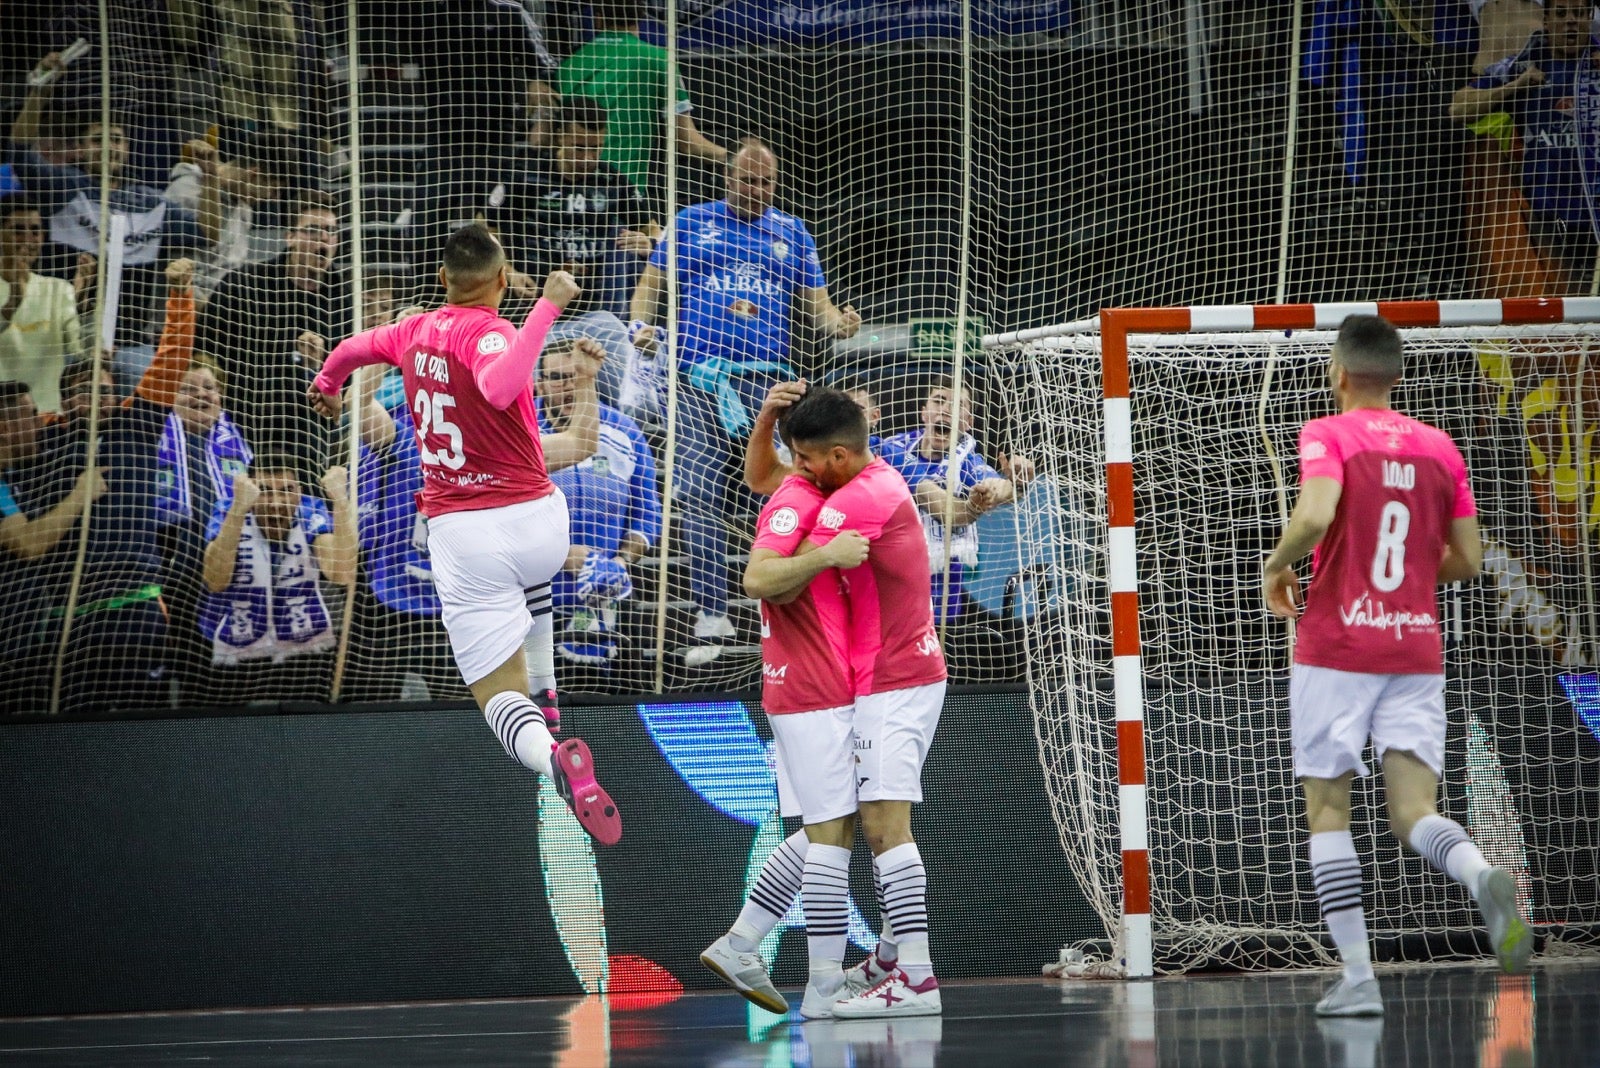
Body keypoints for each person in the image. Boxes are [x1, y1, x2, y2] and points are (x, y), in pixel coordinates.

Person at [308, 223, 621, 846]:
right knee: (533, 582)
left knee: (493, 700)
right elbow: (504, 384)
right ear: (502, 281)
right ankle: (548, 692)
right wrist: (545, 308)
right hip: (540, 520)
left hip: (466, 532)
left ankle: (552, 757)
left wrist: (326, 385)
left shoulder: (413, 330)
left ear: (440, 280)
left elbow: (349, 349)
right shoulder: (496, 329)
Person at [1260, 314, 1532, 1017]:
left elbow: (1317, 514)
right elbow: (1468, 560)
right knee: (1415, 811)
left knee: (1328, 809)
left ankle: (1358, 979)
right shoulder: (1441, 447)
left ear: (1339, 372)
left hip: (1338, 646)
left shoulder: (1328, 433)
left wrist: (1277, 563)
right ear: (1399, 375)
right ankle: (1479, 875)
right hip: (1414, 644)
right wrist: (1407, 579)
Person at [629, 138, 861, 664]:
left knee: (778, 491)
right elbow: (649, 285)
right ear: (727, 179)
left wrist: (842, 325)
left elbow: (821, 310)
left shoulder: (792, 231)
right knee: (699, 487)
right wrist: (640, 325)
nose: (756, 190)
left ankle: (781, 608)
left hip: (769, 385)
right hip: (697, 380)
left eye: (765, 183)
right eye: (746, 181)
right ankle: (712, 613)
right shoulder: (690, 221)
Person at [700, 381, 891, 1017]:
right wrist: (829, 553)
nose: (795, 465)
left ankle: (743, 940)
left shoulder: (819, 486)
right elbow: (759, 578)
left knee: (825, 828)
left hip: (825, 682)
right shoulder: (801, 493)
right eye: (799, 455)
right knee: (833, 836)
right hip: (809, 686)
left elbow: (762, 472)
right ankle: (824, 987)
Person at [781, 386, 949, 1020]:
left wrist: (781, 538)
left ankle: (917, 979)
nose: (798, 469)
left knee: (883, 829)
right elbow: (777, 484)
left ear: (842, 456)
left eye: (807, 458)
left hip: (893, 677)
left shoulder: (862, 497)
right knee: (854, 824)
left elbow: (777, 565)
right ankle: (886, 959)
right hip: (885, 676)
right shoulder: (862, 477)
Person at [6, 257, 201, 712]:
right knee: (71, 732)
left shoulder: (138, 423)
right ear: (62, 397)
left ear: (118, 393)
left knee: (142, 727)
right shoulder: (45, 437)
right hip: (67, 613)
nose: (94, 396)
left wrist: (180, 296)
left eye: (104, 387)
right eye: (81, 389)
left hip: (135, 607)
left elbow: (173, 358)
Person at [490, 96, 658, 411]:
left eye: (595, 148)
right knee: (512, 400)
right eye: (579, 147)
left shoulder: (610, 180)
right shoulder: (525, 175)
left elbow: (651, 228)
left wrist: (650, 244)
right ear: (559, 139)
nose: (588, 157)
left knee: (629, 378)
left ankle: (638, 429)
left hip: (589, 319)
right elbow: (485, 229)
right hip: (529, 320)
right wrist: (509, 270)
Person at [1450, 0, 1599, 289]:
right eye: (1561, 14)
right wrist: (1516, 86)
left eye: (1579, 14)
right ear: (1546, 19)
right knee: (1566, 294)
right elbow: (1457, 108)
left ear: (1589, 19)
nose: (1570, 21)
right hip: (1546, 208)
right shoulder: (1524, 64)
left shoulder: (1597, 62)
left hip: (1595, 207)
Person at [535, 337, 659, 667]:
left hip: (610, 592)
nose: (569, 386)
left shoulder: (625, 432)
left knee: (613, 705)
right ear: (539, 384)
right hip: (536, 598)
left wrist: (620, 562)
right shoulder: (518, 430)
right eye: (558, 377)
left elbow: (647, 514)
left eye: (576, 375)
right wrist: (559, 556)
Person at [196, 191, 339, 472]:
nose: (323, 238)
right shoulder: (244, 285)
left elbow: (347, 380)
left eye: (330, 231)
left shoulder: (342, 297)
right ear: (290, 237)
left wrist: (321, 363)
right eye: (312, 230)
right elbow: (204, 351)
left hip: (306, 428)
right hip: (241, 415)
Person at [198, 455, 355, 702]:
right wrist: (239, 509)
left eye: (287, 490)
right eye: (265, 491)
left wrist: (341, 501)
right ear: (248, 489)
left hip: (301, 646)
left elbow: (342, 572)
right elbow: (216, 580)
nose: (276, 503)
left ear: (299, 492)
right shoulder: (228, 509)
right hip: (233, 649)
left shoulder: (310, 510)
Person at [878, 380, 1025, 623]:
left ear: (967, 422)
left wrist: (1014, 485)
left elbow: (996, 486)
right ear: (923, 412)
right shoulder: (892, 450)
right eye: (938, 401)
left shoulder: (966, 461)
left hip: (938, 588)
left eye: (958, 405)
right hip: (888, 574)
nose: (946, 409)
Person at [557, 0, 729, 204]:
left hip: (568, 195)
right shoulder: (659, 60)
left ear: (598, 17)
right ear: (641, 16)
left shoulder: (569, 64)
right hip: (624, 197)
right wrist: (733, 158)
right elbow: (686, 141)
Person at [163, 130, 299, 303]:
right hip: (182, 320)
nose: (273, 198)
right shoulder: (185, 192)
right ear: (253, 174)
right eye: (274, 190)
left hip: (226, 317)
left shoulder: (245, 209)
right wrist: (217, 315)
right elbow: (176, 275)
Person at [0, 196, 91, 413]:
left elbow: (80, 352)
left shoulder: (59, 289)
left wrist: (83, 301)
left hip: (48, 419)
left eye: (35, 231)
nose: (28, 239)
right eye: (18, 230)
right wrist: (14, 298)